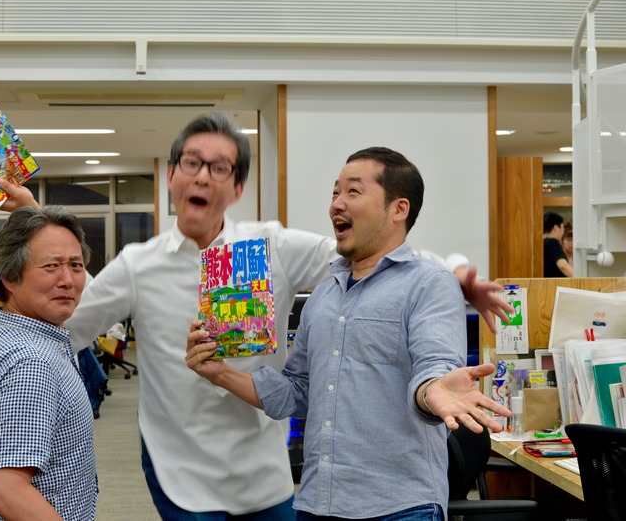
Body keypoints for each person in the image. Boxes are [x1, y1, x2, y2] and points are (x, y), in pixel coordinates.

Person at [0, 113, 513, 519]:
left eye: (219, 168)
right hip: (183, 471)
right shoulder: (139, 264)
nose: (202, 175)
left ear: (236, 187)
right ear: (170, 178)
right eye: (190, 164)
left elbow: (388, 263)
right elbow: (61, 309)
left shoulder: (273, 247)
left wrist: (459, 276)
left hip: (270, 473)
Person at [186, 146, 511, 520]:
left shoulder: (429, 284)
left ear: (398, 209)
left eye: (353, 191)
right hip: (317, 503)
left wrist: (432, 389)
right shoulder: (323, 295)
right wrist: (220, 373)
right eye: (335, 192)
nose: (336, 204)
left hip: (400, 508)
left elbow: (433, 365)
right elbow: (297, 391)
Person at [0, 206, 97, 520]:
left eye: (76, 265)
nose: (68, 280)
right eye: (51, 266)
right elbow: (7, 491)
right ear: (9, 276)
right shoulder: (32, 363)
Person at [543, 212, 572, 277]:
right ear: (555, 227)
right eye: (562, 228)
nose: (563, 231)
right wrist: (581, 279)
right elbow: (563, 266)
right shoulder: (552, 242)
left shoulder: (541, 243)